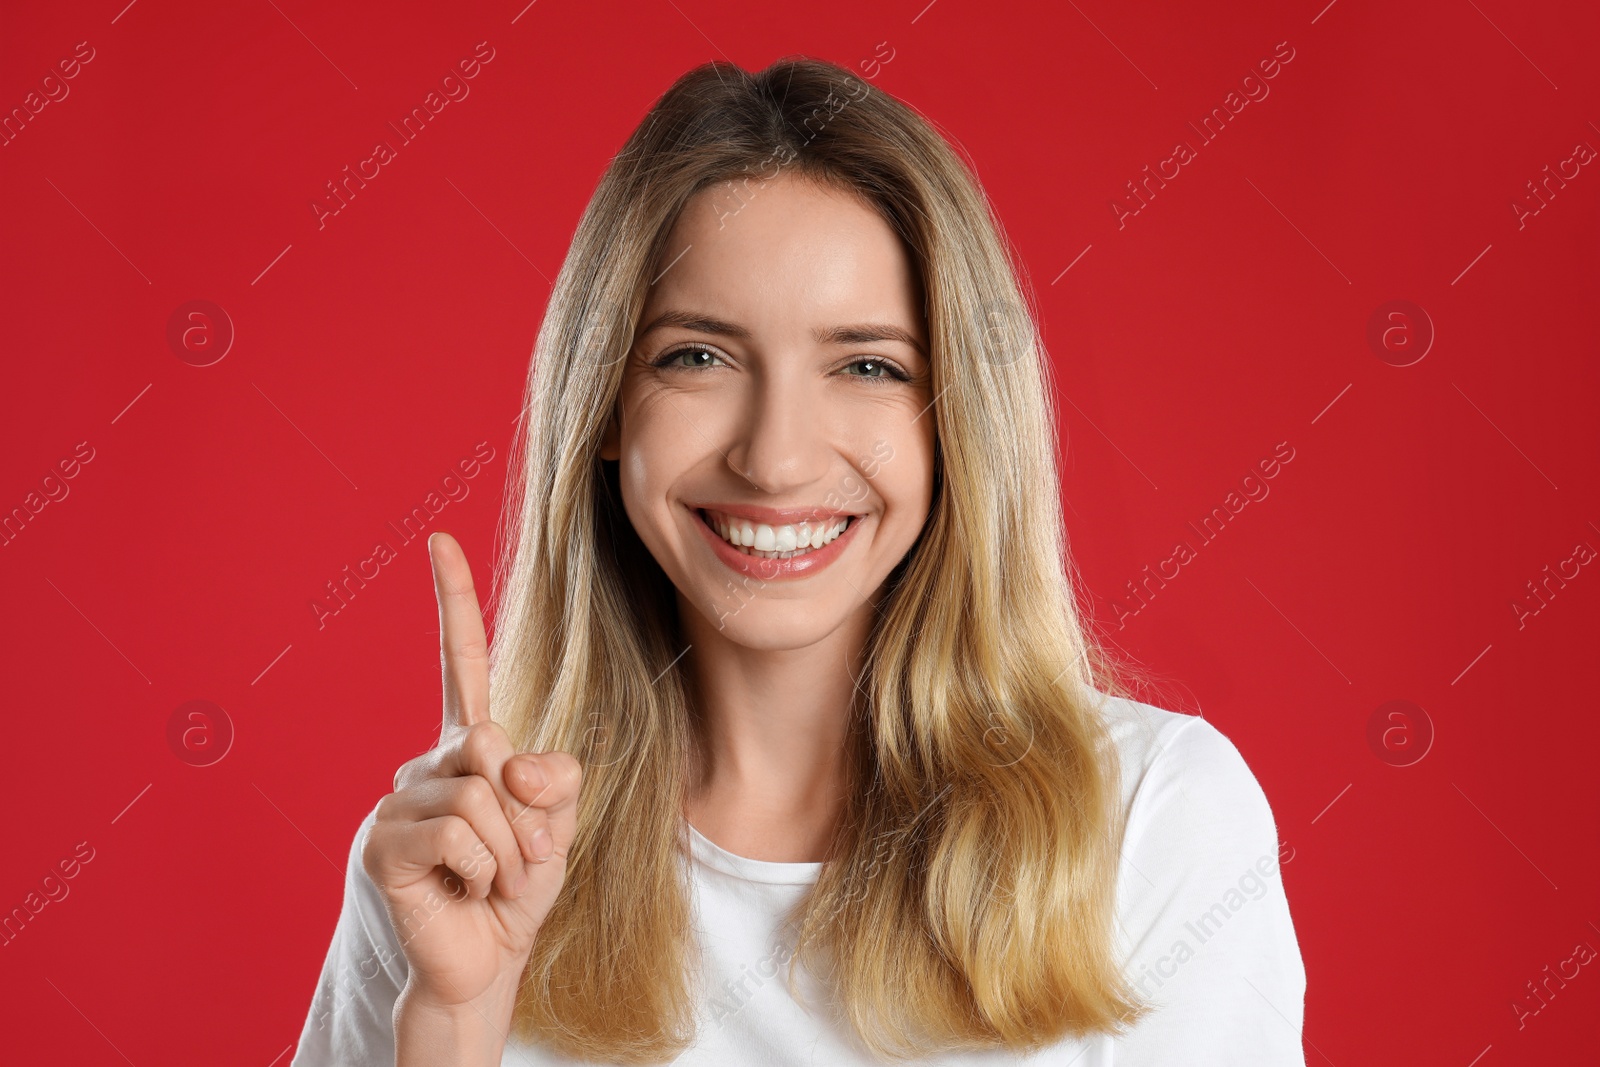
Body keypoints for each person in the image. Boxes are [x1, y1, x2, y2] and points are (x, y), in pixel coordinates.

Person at [291, 55, 1306, 1066]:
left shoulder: (1154, 822)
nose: (773, 458)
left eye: (867, 365)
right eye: (697, 355)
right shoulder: (457, 848)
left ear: (958, 419)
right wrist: (453, 1030)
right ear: (602, 405)